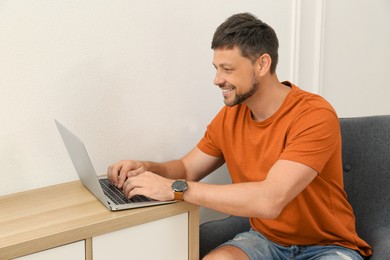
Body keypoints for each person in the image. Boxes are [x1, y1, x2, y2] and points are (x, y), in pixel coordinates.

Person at [107, 13, 372, 259]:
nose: (217, 80)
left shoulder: (314, 115)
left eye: (228, 69)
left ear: (262, 64)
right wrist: (147, 168)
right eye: (216, 68)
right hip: (265, 240)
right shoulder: (231, 116)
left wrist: (176, 190)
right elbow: (187, 168)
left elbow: (270, 200)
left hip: (327, 247)